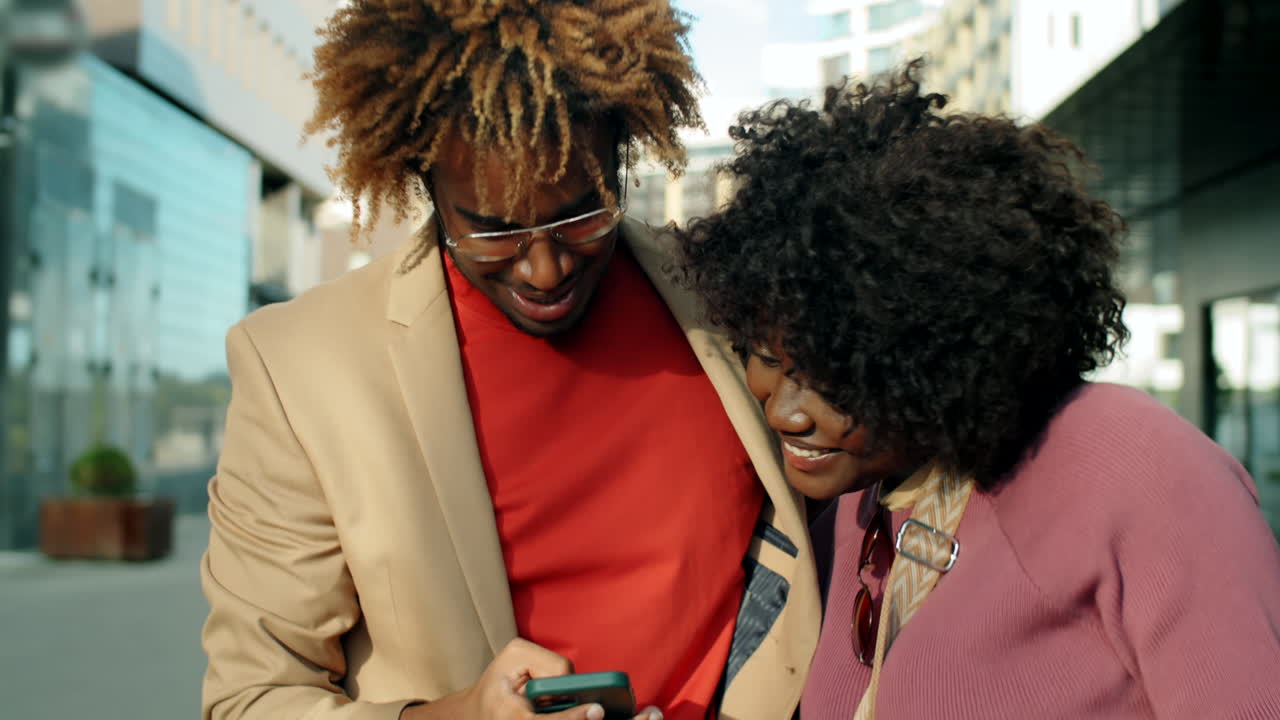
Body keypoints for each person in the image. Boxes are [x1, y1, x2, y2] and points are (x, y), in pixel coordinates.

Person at [199, 3, 819, 720]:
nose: (547, 269)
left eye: (581, 214)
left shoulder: (724, 296)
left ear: (622, 154)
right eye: (493, 231)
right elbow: (253, 697)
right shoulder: (299, 369)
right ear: (423, 182)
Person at [675, 62, 1280, 719]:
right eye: (766, 358)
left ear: (935, 344)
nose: (787, 412)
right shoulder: (851, 510)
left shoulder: (1135, 467)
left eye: (834, 373)